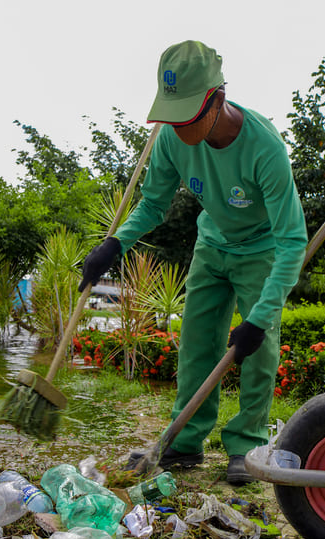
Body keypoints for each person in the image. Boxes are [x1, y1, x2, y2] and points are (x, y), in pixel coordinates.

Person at [79, 40, 307, 484]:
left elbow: (292, 240)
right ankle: (185, 440)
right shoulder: (170, 138)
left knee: (258, 351)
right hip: (212, 244)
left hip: (261, 250)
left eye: (188, 116)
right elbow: (152, 205)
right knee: (196, 345)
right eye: (172, 115)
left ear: (217, 99)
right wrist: (115, 245)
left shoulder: (265, 148)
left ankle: (248, 444)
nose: (178, 128)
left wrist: (259, 318)